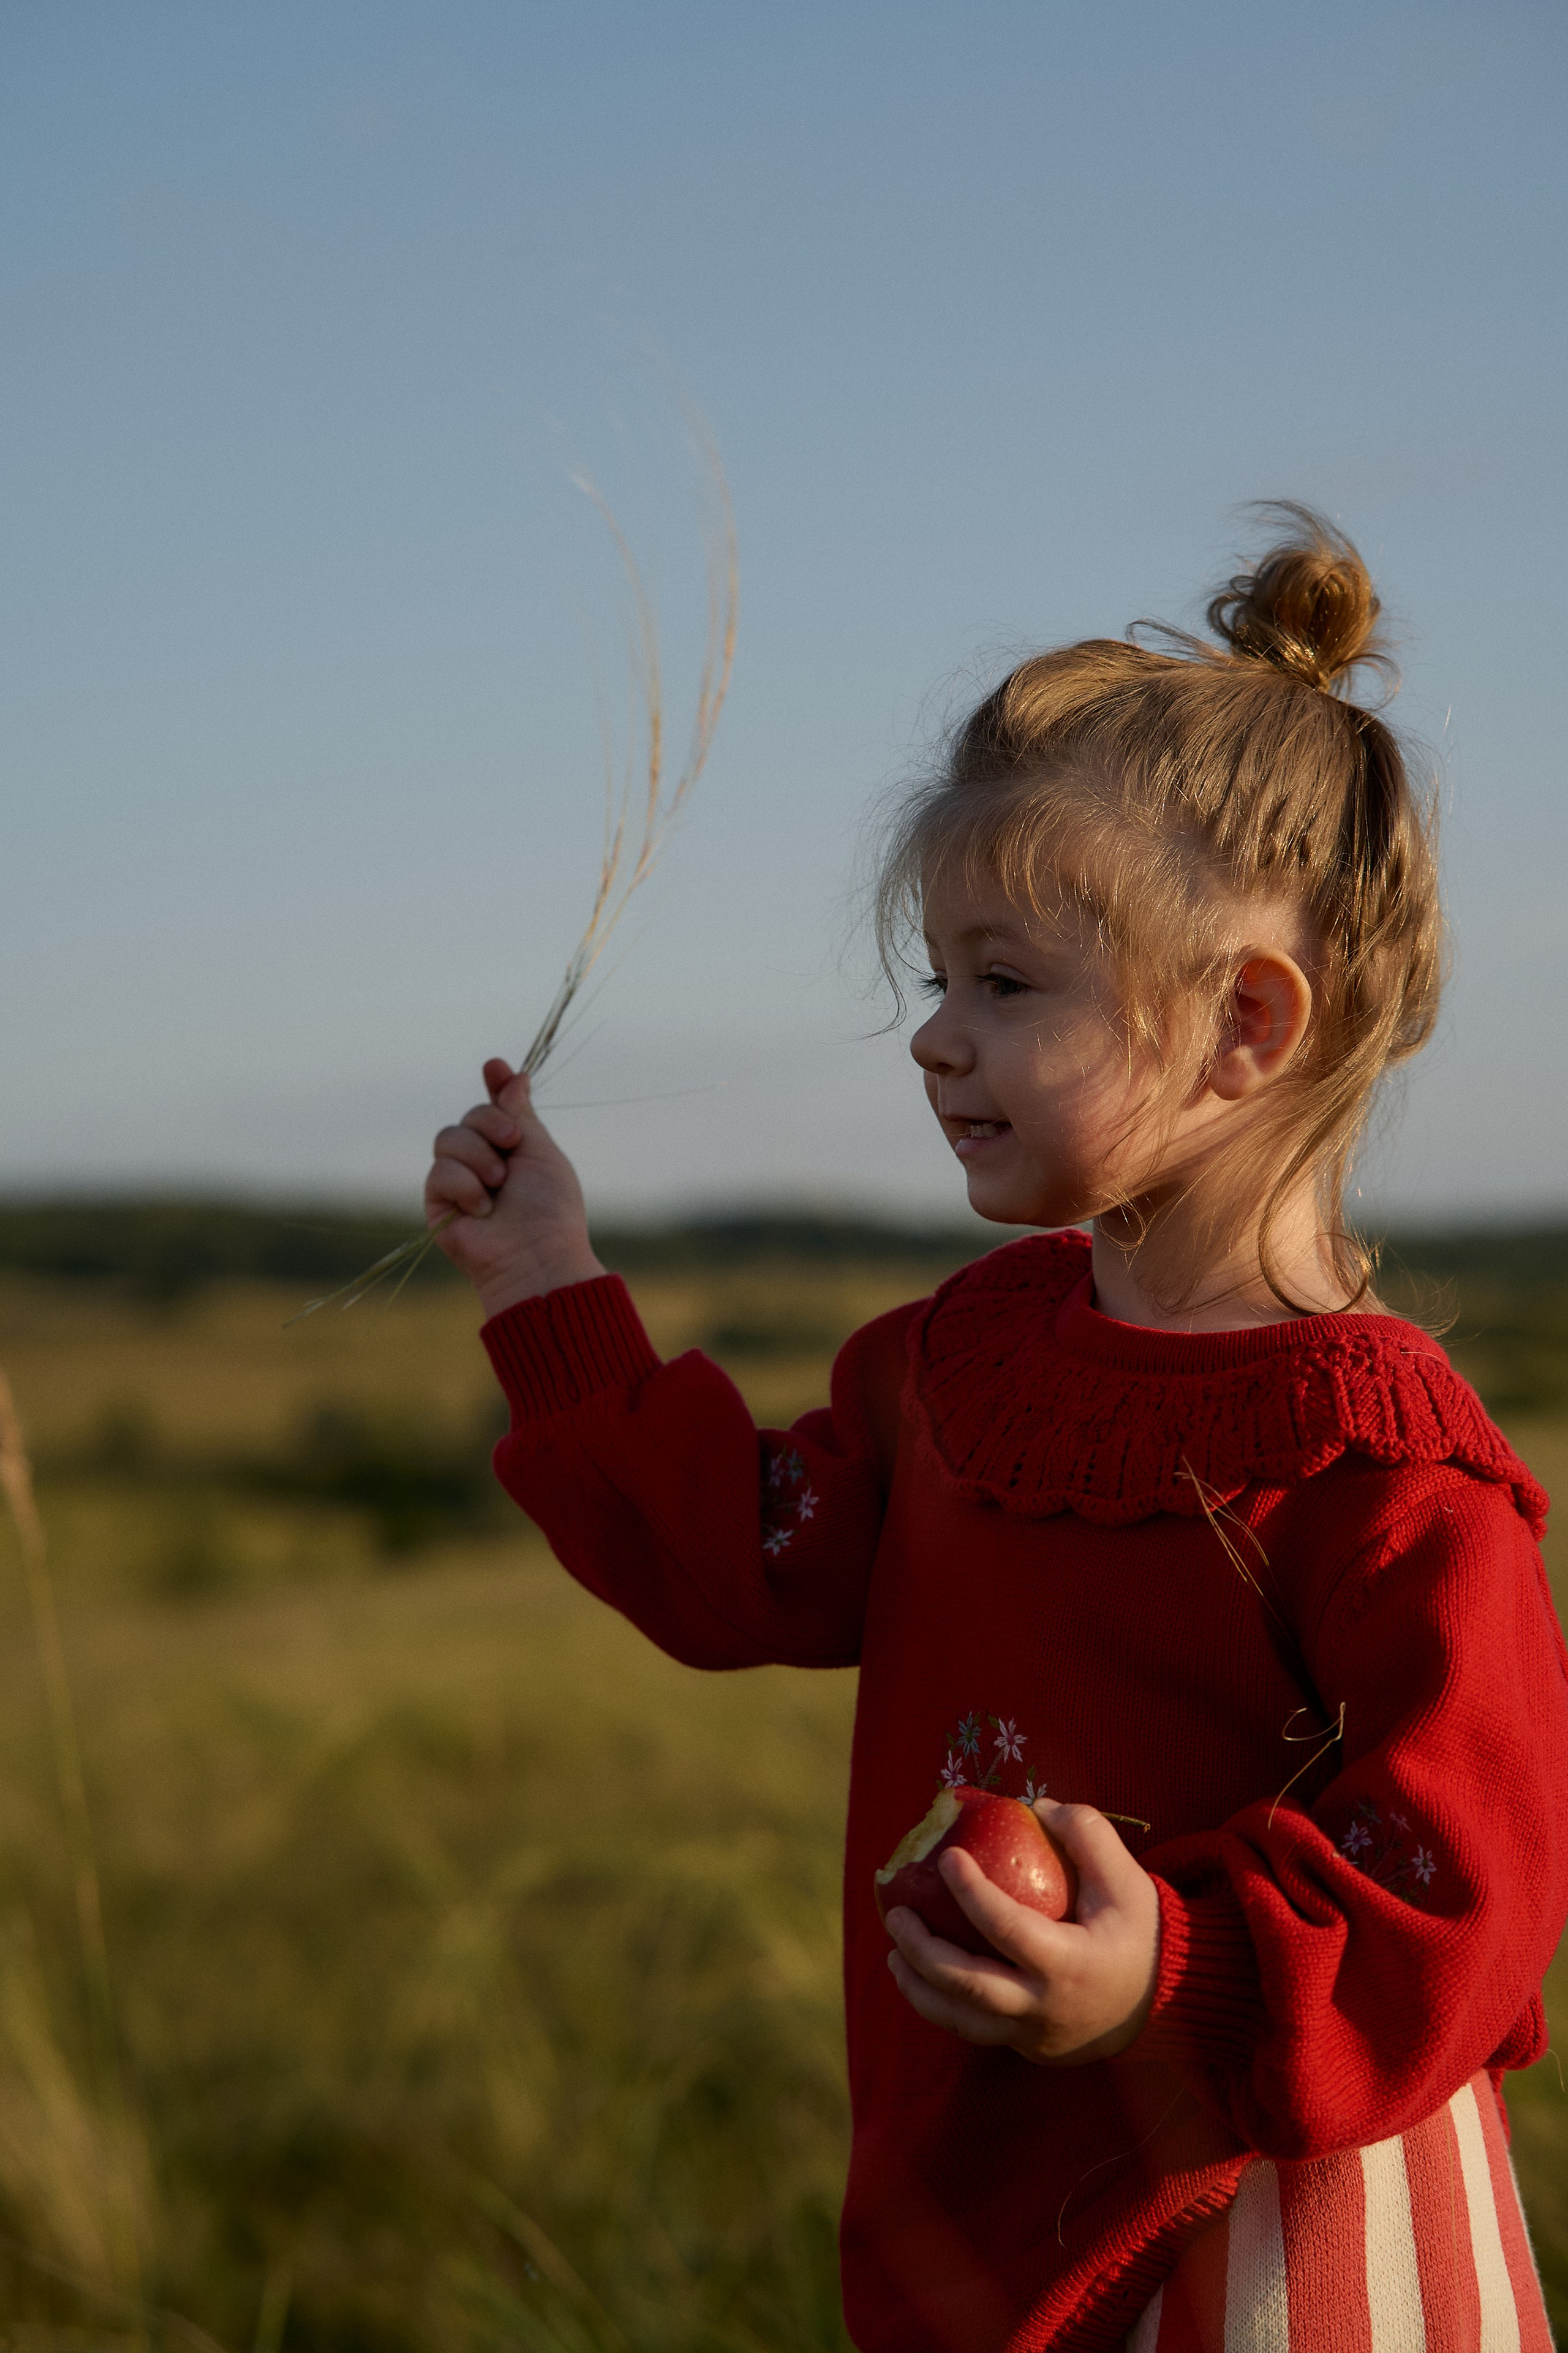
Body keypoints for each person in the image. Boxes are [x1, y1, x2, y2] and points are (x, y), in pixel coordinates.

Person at [424, 507, 1566, 2351]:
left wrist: (1174, 1972)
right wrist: (546, 1280)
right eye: (938, 976)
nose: (934, 1039)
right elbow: (748, 1557)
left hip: (1286, 2240)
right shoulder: (961, 1360)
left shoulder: (1381, 1469)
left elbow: (1468, 1887)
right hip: (988, 2193)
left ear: (1244, 1024)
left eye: (1005, 983)